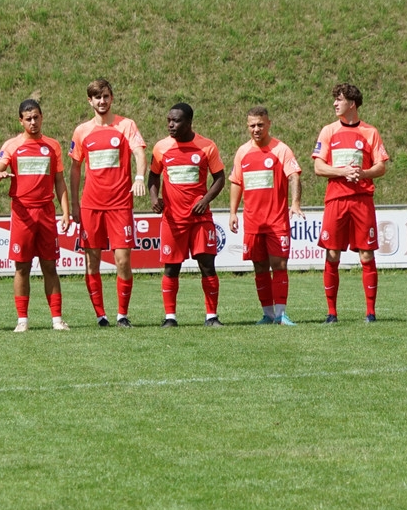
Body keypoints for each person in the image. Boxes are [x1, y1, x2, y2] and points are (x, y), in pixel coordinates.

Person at [69, 79, 147, 328]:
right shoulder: (82, 131)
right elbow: (75, 168)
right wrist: (74, 204)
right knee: (92, 261)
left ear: (111, 98)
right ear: (89, 101)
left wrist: (139, 177)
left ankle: (122, 315)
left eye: (105, 96)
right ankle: (100, 315)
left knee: (123, 260)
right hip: (91, 205)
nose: (102, 101)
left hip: (120, 204)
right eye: (97, 97)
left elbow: (139, 152)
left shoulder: (126, 125)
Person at [0, 99, 70, 331]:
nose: (33, 122)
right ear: (21, 121)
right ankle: (22, 320)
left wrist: (66, 212)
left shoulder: (52, 146)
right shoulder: (12, 145)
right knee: (22, 267)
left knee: (50, 266)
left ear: (42, 117)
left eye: (36, 117)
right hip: (22, 213)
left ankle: (57, 320)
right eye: (28, 119)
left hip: (46, 212)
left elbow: (59, 181)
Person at [312, 84, 389, 323]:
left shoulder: (370, 132)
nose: (335, 104)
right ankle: (331, 313)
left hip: (362, 200)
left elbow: (381, 166)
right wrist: (343, 171)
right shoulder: (328, 131)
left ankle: (370, 312)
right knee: (332, 253)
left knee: (366, 254)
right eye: (335, 99)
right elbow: (318, 167)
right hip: (336, 200)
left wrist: (363, 173)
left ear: (352, 104)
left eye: (340, 99)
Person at [148, 103, 226, 327]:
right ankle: (170, 318)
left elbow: (220, 178)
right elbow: (153, 176)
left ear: (189, 122)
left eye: (176, 121)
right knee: (171, 268)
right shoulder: (161, 147)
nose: (171, 125)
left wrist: (205, 200)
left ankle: (211, 316)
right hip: (173, 220)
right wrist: (154, 199)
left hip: (199, 219)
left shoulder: (207, 146)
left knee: (207, 265)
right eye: (169, 120)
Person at [229, 106, 304, 326]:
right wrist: (233, 212)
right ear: (247, 127)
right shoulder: (242, 152)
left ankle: (281, 314)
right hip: (253, 222)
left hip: (276, 220)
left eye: (260, 124)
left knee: (279, 265)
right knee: (259, 267)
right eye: (252, 125)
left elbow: (294, 176)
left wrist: (295, 203)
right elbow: (236, 182)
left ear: (269, 124)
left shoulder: (281, 150)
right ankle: (268, 314)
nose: (256, 129)